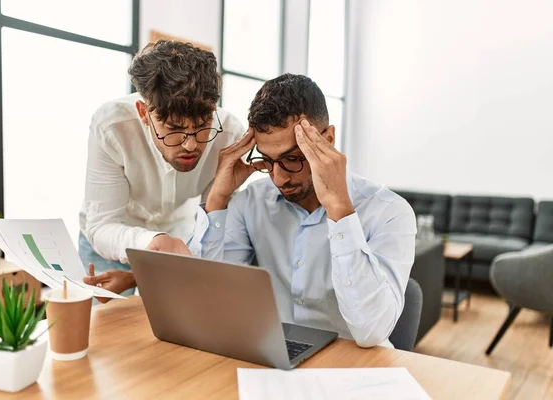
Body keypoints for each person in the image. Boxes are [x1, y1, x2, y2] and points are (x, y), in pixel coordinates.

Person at [88, 73, 416, 348]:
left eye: (292, 158)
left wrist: (340, 211)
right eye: (268, 162)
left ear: (327, 138)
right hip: (271, 359)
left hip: (356, 368)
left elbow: (370, 331)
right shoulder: (252, 202)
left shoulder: (389, 212)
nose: (279, 177)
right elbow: (210, 303)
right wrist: (217, 197)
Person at [79, 40, 243, 297]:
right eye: (174, 130)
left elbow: (213, 230)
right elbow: (102, 225)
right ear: (144, 113)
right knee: (101, 330)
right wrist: (151, 242)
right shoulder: (111, 126)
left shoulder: (229, 136)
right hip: (109, 239)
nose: (191, 145)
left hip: (176, 244)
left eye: (202, 127)